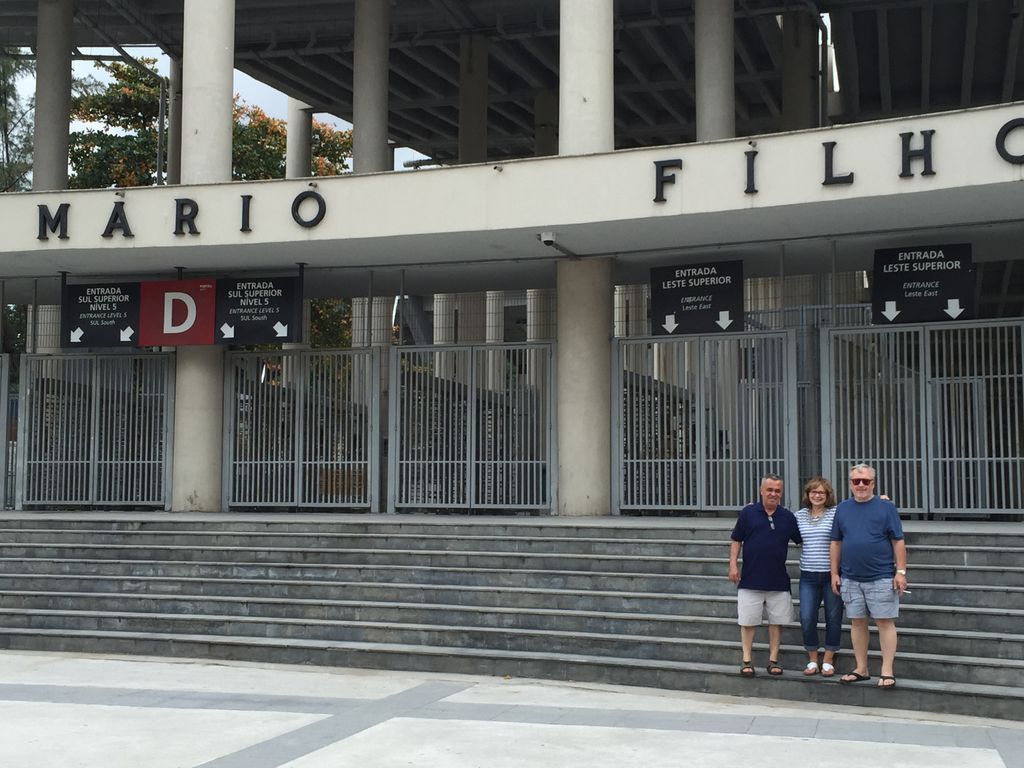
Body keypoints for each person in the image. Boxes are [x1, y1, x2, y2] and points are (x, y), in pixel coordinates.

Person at [830, 463, 908, 689]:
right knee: (857, 622)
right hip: (851, 577)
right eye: (856, 481)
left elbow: (898, 540)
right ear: (850, 484)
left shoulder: (886, 508)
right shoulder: (842, 508)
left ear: (873, 483)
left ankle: (887, 671)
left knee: (885, 622)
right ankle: (861, 668)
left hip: (881, 575)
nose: (861, 485)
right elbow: (836, 542)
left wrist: (900, 571)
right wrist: (834, 572)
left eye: (866, 481)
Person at [729, 473, 802, 677]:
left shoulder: (788, 517)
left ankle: (773, 660)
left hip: (778, 580)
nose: (773, 494)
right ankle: (746, 660)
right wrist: (733, 565)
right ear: (761, 491)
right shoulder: (748, 513)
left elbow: (803, 537)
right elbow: (736, 540)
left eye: (777, 490)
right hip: (750, 579)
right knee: (748, 621)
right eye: (769, 490)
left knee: (776, 622)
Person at [794, 477, 842, 678]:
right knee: (806, 617)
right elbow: (779, 523)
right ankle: (813, 659)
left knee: (833, 617)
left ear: (828, 495)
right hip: (808, 576)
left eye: (821, 492)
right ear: (807, 494)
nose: (817, 495)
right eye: (813, 492)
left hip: (832, 575)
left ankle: (829, 659)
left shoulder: (836, 513)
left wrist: (882, 501)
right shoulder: (799, 516)